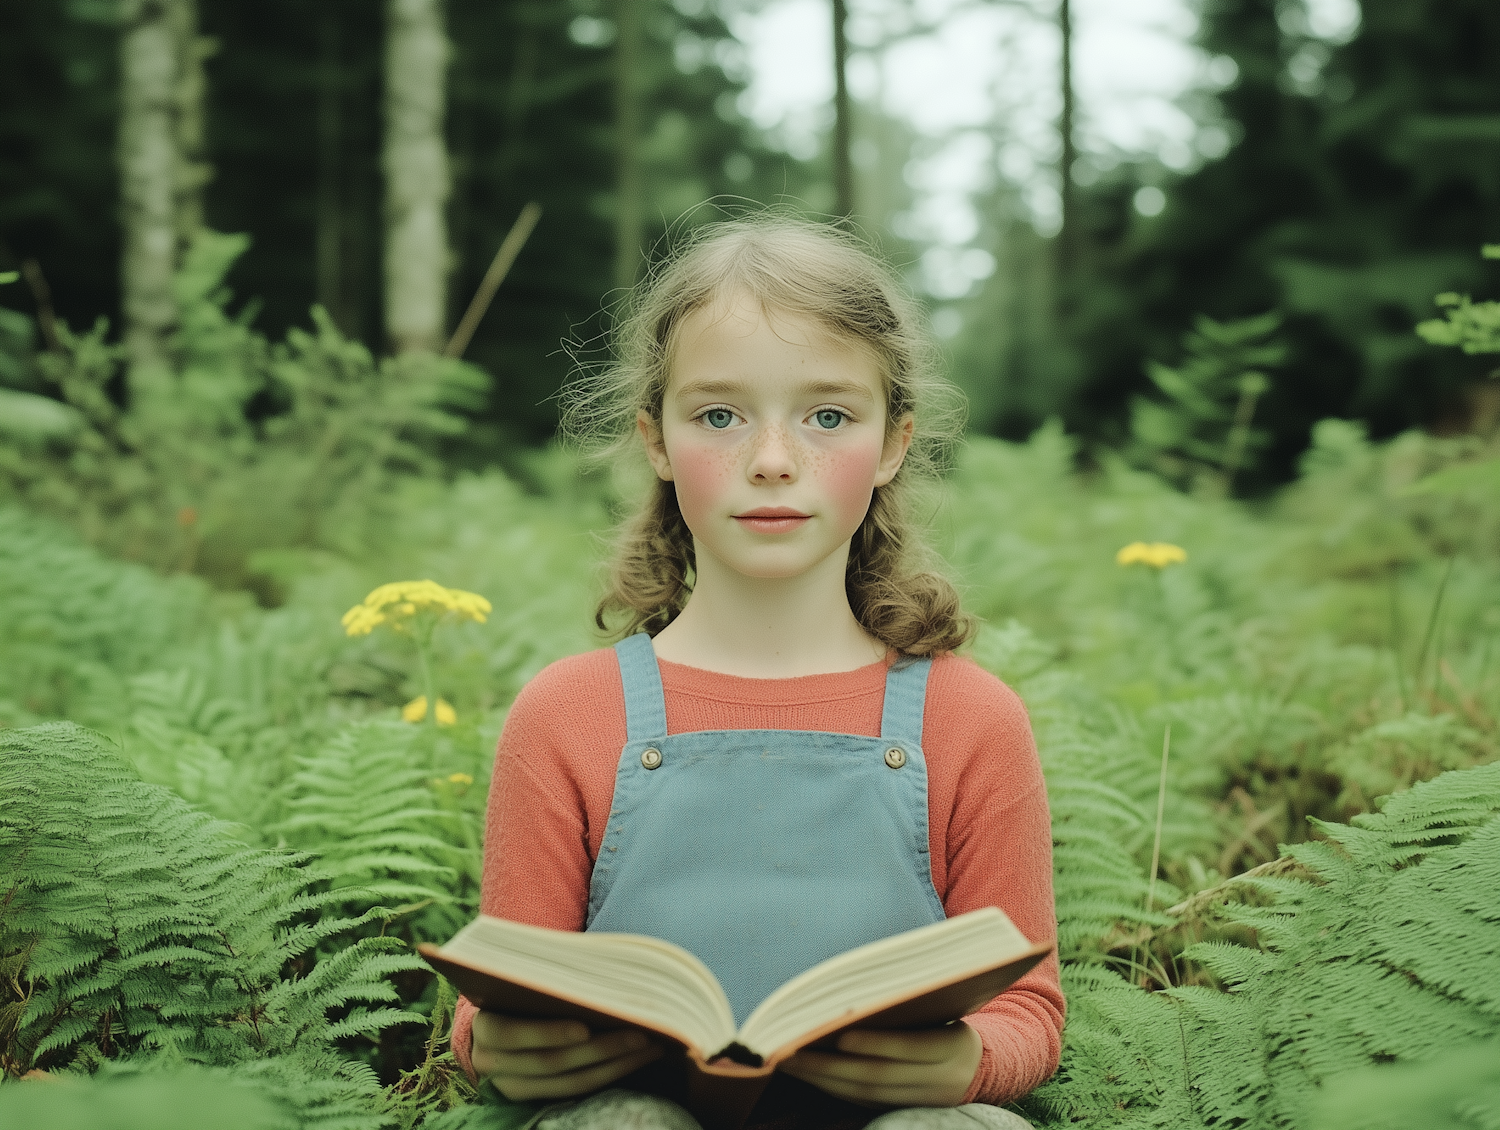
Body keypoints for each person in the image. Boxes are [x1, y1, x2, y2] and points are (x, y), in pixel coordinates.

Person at [449, 216, 1064, 1130]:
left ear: (893, 443)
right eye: (719, 416)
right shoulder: (570, 713)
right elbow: (496, 1001)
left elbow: (1030, 1010)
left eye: (827, 416)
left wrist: (966, 1063)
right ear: (655, 440)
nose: (773, 462)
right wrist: (494, 1046)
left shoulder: (969, 718)